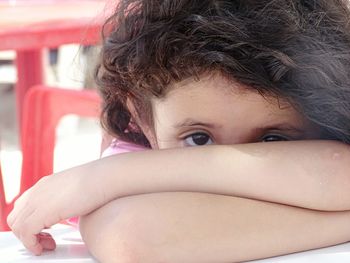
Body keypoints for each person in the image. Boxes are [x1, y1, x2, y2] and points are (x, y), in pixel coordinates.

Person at [7, 0, 350, 262]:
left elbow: (340, 173)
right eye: (198, 138)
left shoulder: (119, 175)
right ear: (140, 116)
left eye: (272, 139)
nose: (230, 156)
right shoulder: (135, 148)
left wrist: (109, 178)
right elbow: (132, 237)